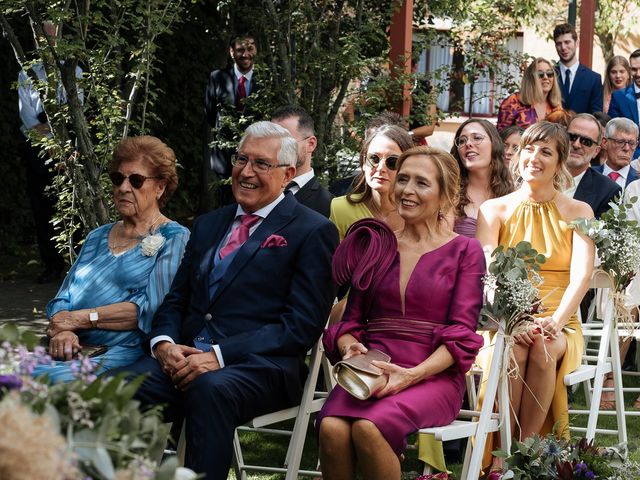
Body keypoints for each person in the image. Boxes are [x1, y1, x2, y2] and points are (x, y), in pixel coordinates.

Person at [117, 122, 338, 480]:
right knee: (112, 389)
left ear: (288, 174)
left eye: (261, 164)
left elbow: (300, 326)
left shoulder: (311, 231)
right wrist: (164, 344)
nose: (246, 172)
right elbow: (177, 299)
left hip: (261, 368)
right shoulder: (208, 224)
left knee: (209, 389)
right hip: (184, 359)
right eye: (241, 159)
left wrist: (219, 356)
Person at [318, 147, 484, 480]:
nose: (407, 190)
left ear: (445, 195)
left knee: (369, 427)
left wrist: (411, 375)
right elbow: (351, 320)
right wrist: (351, 347)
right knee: (331, 427)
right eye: (403, 179)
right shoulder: (376, 244)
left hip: (432, 374)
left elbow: (463, 333)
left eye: (421, 183)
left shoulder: (466, 250)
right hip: (372, 369)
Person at [476, 121, 595, 476]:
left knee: (543, 349)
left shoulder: (579, 212)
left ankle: (524, 454)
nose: (534, 157)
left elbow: (582, 276)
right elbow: (491, 275)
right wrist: (515, 320)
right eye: (529, 148)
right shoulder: (493, 210)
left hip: (560, 317)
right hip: (506, 316)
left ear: (560, 163)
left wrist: (554, 321)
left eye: (546, 151)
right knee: (512, 351)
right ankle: (502, 449)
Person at [35, 136, 189, 383]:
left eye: (136, 180)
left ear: (160, 187)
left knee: (34, 385)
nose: (124, 188)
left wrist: (77, 320)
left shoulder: (174, 237)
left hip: (120, 352)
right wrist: (62, 332)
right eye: (119, 178)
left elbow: (150, 310)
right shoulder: (98, 236)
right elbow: (62, 298)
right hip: (71, 348)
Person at [18, 21, 83, 283]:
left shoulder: (74, 72)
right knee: (42, 206)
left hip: (69, 149)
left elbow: (76, 112)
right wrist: (48, 130)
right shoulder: (26, 74)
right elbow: (27, 118)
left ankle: (77, 263)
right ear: (35, 41)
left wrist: (58, 130)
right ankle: (51, 265)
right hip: (37, 149)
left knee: (73, 205)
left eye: (51, 36)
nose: (46, 41)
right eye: (41, 37)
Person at [203, 34, 259, 209]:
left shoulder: (268, 79)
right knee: (226, 203)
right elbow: (210, 113)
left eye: (250, 49)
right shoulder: (217, 77)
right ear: (231, 51)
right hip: (225, 156)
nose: (245, 54)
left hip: (257, 152)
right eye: (240, 50)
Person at [329, 125, 413, 240]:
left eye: (392, 161)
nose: (380, 168)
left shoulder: (418, 213)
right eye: (374, 158)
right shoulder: (340, 209)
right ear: (363, 162)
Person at [449, 119, 513, 238]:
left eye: (477, 138)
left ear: (495, 144)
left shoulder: (514, 192)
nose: (468, 143)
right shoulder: (450, 192)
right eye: (462, 141)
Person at [272, 105, 333, 217]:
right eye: (272, 141)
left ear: (311, 144)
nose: (277, 148)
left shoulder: (328, 205)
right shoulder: (257, 189)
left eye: (286, 141)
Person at [565, 114, 621, 218]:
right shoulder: (540, 173)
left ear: (596, 151)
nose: (576, 145)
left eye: (586, 142)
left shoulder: (607, 191)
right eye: (571, 137)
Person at [497, 57, 564, 131]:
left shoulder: (556, 106)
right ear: (530, 78)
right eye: (540, 74)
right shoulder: (513, 101)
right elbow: (501, 136)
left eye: (549, 73)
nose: (545, 77)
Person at [553, 23, 603, 114]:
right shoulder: (549, 75)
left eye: (567, 42)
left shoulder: (593, 79)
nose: (563, 47)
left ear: (577, 43)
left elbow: (596, 117)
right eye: (559, 44)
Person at [608, 49, 640, 159]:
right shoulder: (618, 97)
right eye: (634, 70)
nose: (638, 74)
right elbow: (613, 131)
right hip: (629, 157)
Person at [593, 117, 639, 188]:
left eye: (631, 143)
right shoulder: (588, 175)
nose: (626, 148)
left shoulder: (638, 180)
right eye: (620, 142)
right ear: (605, 142)